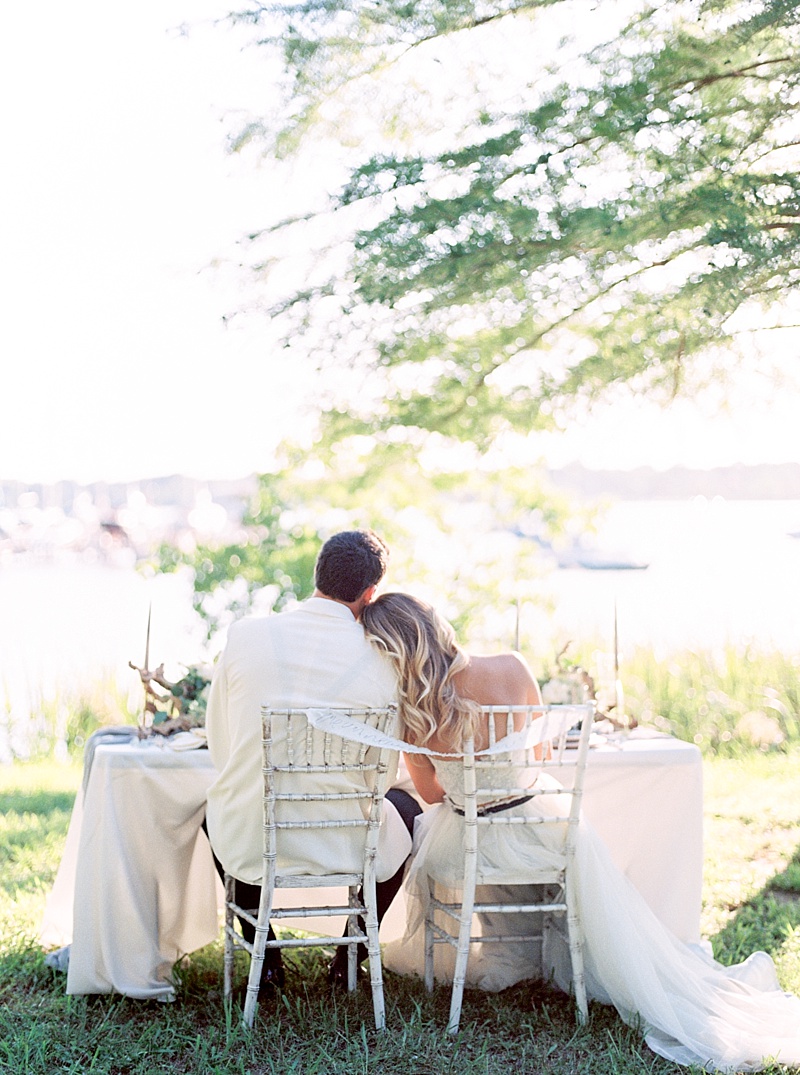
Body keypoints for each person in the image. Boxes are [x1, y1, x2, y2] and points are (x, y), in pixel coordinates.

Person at [360, 592, 800, 1071]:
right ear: (435, 622)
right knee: (549, 839)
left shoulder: (414, 711)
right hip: (536, 824)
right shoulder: (511, 666)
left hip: (468, 837)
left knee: (436, 833)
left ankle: (511, 946)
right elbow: (539, 755)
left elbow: (430, 794)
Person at [204, 531, 421, 991]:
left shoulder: (245, 636)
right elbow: (382, 773)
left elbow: (221, 742)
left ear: (317, 573)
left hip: (253, 835)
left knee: (218, 807)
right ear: (370, 593)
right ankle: (350, 955)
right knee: (406, 810)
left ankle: (264, 956)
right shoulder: (386, 657)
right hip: (348, 841)